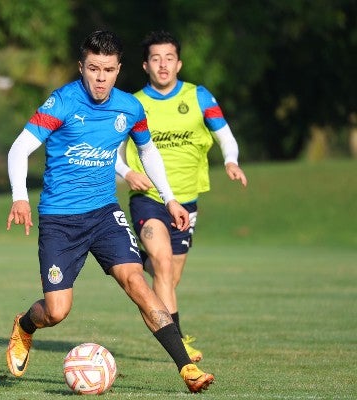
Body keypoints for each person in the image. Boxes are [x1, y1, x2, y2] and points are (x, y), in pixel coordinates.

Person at [5, 30, 214, 394]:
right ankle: (25, 325)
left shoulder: (130, 107)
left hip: (104, 214)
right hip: (60, 220)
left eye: (108, 70)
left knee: (137, 281)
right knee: (56, 311)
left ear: (119, 70)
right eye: (93, 69)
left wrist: (169, 198)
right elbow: (19, 149)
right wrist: (20, 197)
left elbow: (148, 151)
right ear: (81, 67)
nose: (100, 78)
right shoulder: (62, 102)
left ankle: (186, 369)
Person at [116, 30, 248, 362]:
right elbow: (113, 153)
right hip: (149, 199)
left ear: (179, 63)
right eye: (156, 59)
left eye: (169, 58)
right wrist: (127, 172)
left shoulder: (200, 96)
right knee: (161, 264)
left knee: (169, 277)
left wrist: (231, 161)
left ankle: (141, 265)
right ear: (145, 65)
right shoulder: (133, 104)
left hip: (187, 201)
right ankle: (179, 345)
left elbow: (226, 136)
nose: (163, 65)